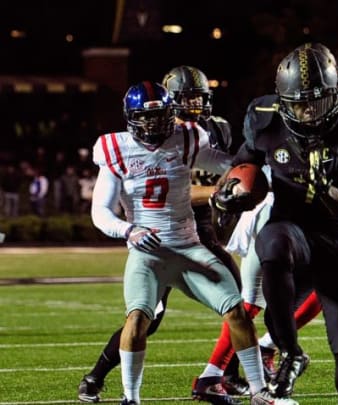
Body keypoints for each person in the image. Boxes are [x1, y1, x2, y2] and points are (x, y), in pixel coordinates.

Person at [212, 46, 338, 404]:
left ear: (336, 96)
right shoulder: (265, 119)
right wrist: (225, 197)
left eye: (316, 102)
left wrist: (326, 189)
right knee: (271, 239)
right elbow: (242, 168)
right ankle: (290, 352)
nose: (306, 112)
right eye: (297, 103)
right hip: (294, 232)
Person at [88, 81, 269, 405]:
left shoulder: (186, 139)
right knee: (138, 319)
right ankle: (130, 398)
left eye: (161, 116)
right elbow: (100, 211)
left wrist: (248, 174)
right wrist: (128, 230)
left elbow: (225, 164)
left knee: (237, 312)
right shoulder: (115, 148)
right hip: (149, 254)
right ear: (131, 118)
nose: (156, 124)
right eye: (147, 117)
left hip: (190, 249)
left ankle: (258, 392)